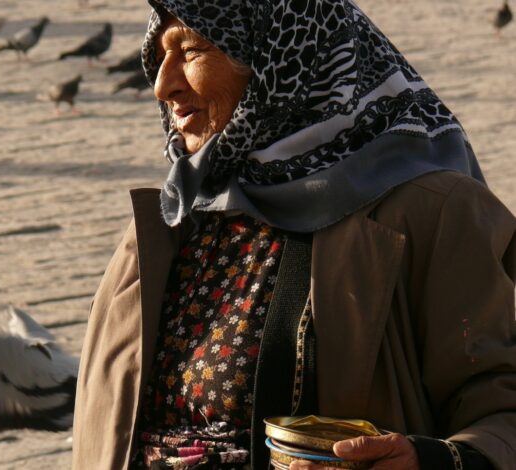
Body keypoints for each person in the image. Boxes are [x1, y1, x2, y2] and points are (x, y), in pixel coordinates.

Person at [72, 1, 516, 469]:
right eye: (159, 56)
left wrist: (430, 461)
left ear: (282, 60)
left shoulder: (431, 214)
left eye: (192, 49)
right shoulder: (177, 216)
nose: (163, 84)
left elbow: (501, 403)